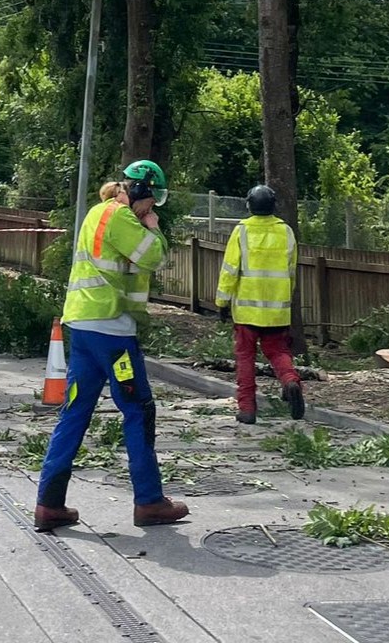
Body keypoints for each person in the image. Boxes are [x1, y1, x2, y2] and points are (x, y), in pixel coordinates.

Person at [34, 158, 190, 533]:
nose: (152, 209)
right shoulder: (121, 218)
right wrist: (154, 229)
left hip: (85, 328)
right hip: (112, 331)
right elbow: (154, 258)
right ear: (138, 191)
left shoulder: (97, 213)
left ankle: (49, 503)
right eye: (151, 201)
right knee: (138, 410)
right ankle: (150, 501)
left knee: (74, 412)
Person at [215, 184, 304, 425]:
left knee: (245, 357)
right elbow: (291, 271)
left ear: (248, 205)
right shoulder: (286, 232)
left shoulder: (241, 231)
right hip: (276, 310)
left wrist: (222, 301)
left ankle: (247, 408)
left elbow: (230, 270)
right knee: (278, 351)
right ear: (274, 205)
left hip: (246, 311)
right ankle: (291, 381)